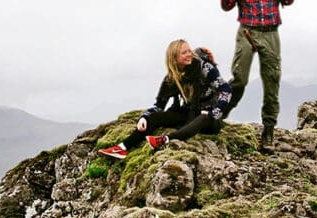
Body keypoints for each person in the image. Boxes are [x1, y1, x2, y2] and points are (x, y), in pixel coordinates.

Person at [220, 0, 295, 151]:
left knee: (272, 81)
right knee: (239, 79)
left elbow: (289, 0)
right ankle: (219, 115)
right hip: (247, 32)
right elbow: (225, 5)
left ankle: (268, 133)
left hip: (271, 33)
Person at [98, 39, 232, 159]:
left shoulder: (204, 67)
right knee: (154, 118)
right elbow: (159, 105)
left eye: (189, 51)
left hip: (209, 118)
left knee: (203, 117)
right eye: (184, 53)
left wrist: (215, 112)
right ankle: (122, 148)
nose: (189, 54)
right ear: (174, 58)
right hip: (187, 114)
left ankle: (164, 140)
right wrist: (144, 117)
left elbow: (226, 89)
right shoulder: (171, 78)